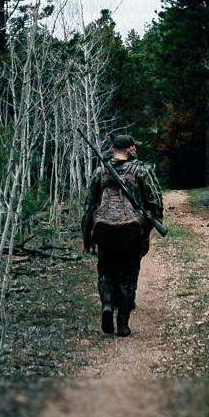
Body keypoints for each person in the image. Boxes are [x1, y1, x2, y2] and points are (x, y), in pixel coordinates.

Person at [81, 134, 164, 337]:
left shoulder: (100, 171)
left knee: (106, 272)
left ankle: (107, 305)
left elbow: (89, 206)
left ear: (111, 150)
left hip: (104, 232)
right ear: (130, 150)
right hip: (131, 234)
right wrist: (145, 230)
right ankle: (123, 323)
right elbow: (155, 204)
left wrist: (87, 236)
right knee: (128, 276)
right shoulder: (141, 171)